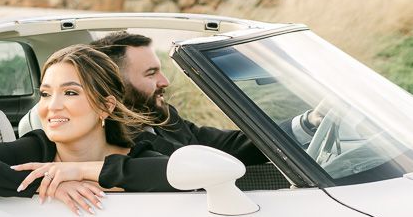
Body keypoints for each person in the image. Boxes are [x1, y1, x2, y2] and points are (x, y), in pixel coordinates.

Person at [0, 44, 182, 215]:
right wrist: (46, 184)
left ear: (105, 107)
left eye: (70, 93)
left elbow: (181, 174)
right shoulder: (38, 148)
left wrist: (77, 171)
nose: (52, 106)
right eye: (45, 94)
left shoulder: (141, 153)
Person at [93, 30, 323, 159]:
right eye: (151, 74)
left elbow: (225, 145)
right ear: (116, 85)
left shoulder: (162, 116)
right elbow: (192, 163)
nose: (165, 81)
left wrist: (308, 122)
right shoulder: (103, 142)